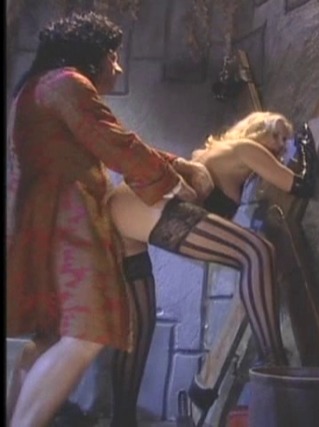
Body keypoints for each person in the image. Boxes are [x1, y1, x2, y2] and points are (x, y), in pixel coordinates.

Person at [5, 12, 212, 427]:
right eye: (112, 56)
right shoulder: (67, 84)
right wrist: (176, 185)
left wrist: (177, 165)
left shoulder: (39, 86)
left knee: (51, 338)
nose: (117, 67)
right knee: (86, 334)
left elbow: (110, 138)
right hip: (66, 227)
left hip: (42, 225)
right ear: (92, 56)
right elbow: (116, 144)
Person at [107, 111, 318, 426]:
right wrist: (307, 148)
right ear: (256, 129)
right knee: (257, 251)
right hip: (142, 202)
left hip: (124, 207)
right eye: (276, 135)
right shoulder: (248, 148)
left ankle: (121, 421)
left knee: (140, 328)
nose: (280, 145)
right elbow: (300, 185)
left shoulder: (216, 153)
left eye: (286, 139)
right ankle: (275, 363)